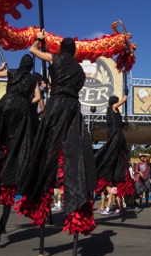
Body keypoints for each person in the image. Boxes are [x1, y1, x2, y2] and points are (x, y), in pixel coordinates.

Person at [17, 31, 96, 238]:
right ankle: (77, 201)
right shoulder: (79, 70)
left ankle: (37, 196)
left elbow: (32, 51)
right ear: (75, 51)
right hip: (72, 110)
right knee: (74, 154)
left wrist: (39, 38)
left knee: (45, 149)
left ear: (62, 49)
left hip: (56, 107)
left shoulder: (56, 58)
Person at [0, 55, 40, 246]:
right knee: (17, 139)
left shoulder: (12, 72)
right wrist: (26, 103)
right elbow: (37, 97)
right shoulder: (33, 79)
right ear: (31, 67)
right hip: (21, 107)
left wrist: (2, 66)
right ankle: (11, 154)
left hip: (5, 103)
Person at [94, 94, 134, 221]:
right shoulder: (113, 107)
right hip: (115, 134)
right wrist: (124, 98)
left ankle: (119, 208)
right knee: (112, 150)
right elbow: (119, 103)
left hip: (115, 134)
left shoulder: (111, 112)